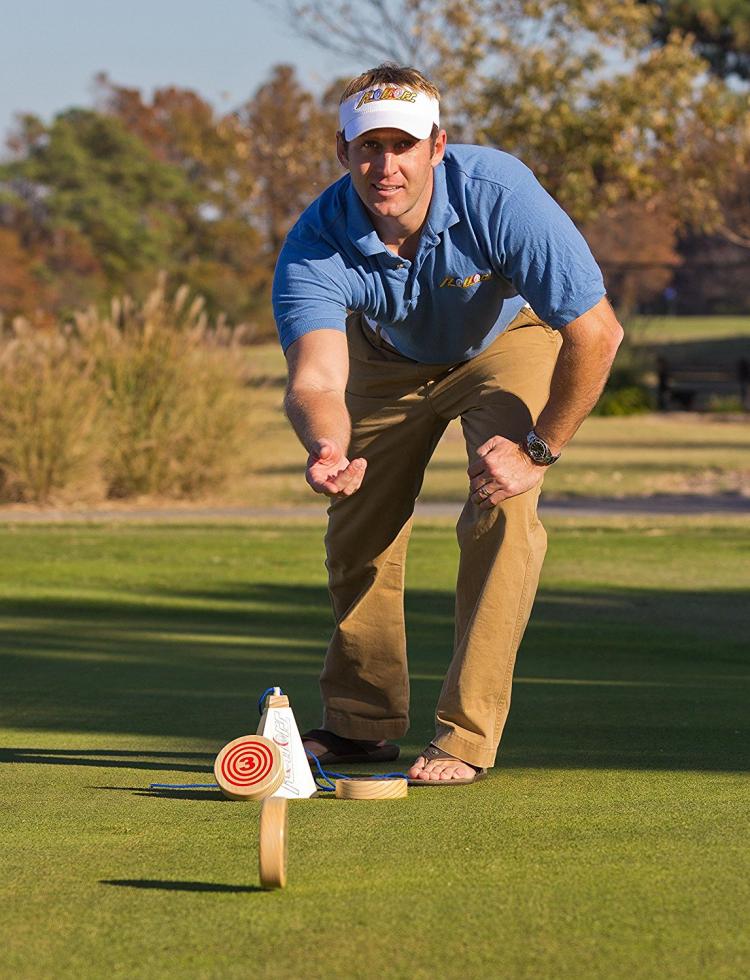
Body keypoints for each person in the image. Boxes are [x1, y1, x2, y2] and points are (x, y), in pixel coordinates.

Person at [272, 63, 623, 785]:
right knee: (358, 521)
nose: (385, 165)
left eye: (403, 146)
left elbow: (597, 334)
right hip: (386, 355)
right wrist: (327, 444)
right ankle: (361, 725)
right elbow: (315, 377)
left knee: (503, 507)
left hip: (504, 342)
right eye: (369, 148)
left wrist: (539, 450)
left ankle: (465, 736)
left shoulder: (498, 194)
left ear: (437, 146)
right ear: (343, 154)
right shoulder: (317, 239)